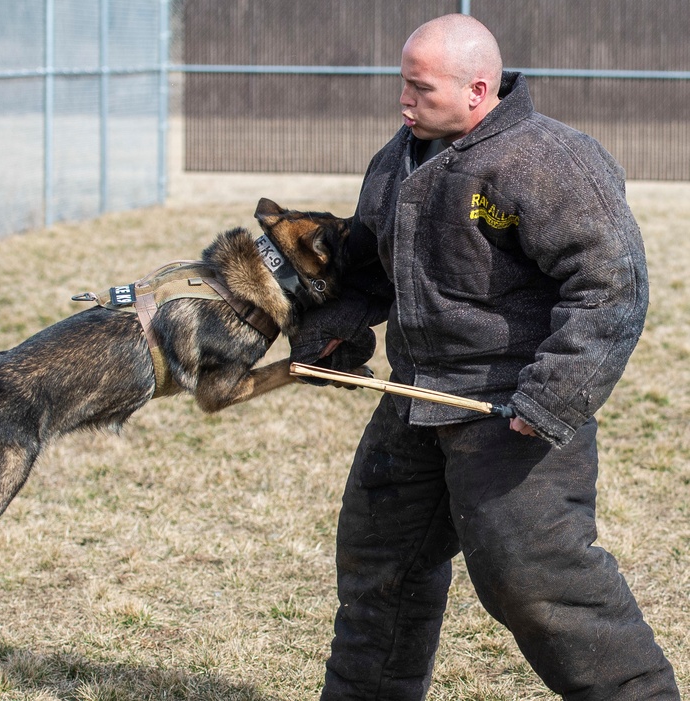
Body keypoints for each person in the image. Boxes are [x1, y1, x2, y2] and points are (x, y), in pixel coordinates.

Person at [288, 13, 682, 701]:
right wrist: (334, 328)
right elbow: (372, 264)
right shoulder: (399, 158)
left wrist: (553, 396)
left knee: (538, 584)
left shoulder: (548, 159)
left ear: (477, 90)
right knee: (379, 568)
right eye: (402, 85)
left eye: (420, 88)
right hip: (417, 398)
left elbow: (611, 285)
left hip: (510, 407)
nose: (403, 102)